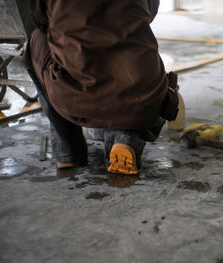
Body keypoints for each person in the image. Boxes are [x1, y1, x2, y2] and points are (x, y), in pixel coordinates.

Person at [23, 0, 179, 174]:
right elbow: (151, 11)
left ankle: (67, 148)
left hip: (76, 97)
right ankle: (126, 138)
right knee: (133, 42)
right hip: (144, 94)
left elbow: (40, 20)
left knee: (37, 39)